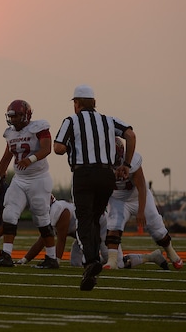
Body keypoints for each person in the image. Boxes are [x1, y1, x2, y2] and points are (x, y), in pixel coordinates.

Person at [54, 84, 136, 291]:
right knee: (94, 217)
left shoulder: (71, 120)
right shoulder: (108, 120)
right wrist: (126, 164)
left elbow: (58, 148)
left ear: (77, 103)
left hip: (84, 174)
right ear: (95, 103)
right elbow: (131, 135)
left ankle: (91, 261)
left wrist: (71, 146)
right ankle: (91, 267)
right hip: (107, 175)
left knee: (83, 218)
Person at [0, 100, 58, 270]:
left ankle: (51, 257)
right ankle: (6, 255)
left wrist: (31, 159)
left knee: (41, 217)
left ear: (26, 115)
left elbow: (47, 148)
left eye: (17, 116)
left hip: (39, 178)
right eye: (11, 117)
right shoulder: (11, 134)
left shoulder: (39, 128)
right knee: (9, 213)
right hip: (19, 179)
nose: (13, 120)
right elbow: (6, 157)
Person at [104, 136, 183, 270]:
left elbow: (141, 187)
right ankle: (112, 261)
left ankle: (170, 251)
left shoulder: (132, 160)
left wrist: (141, 211)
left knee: (157, 228)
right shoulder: (100, 164)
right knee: (114, 225)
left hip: (137, 196)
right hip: (117, 198)